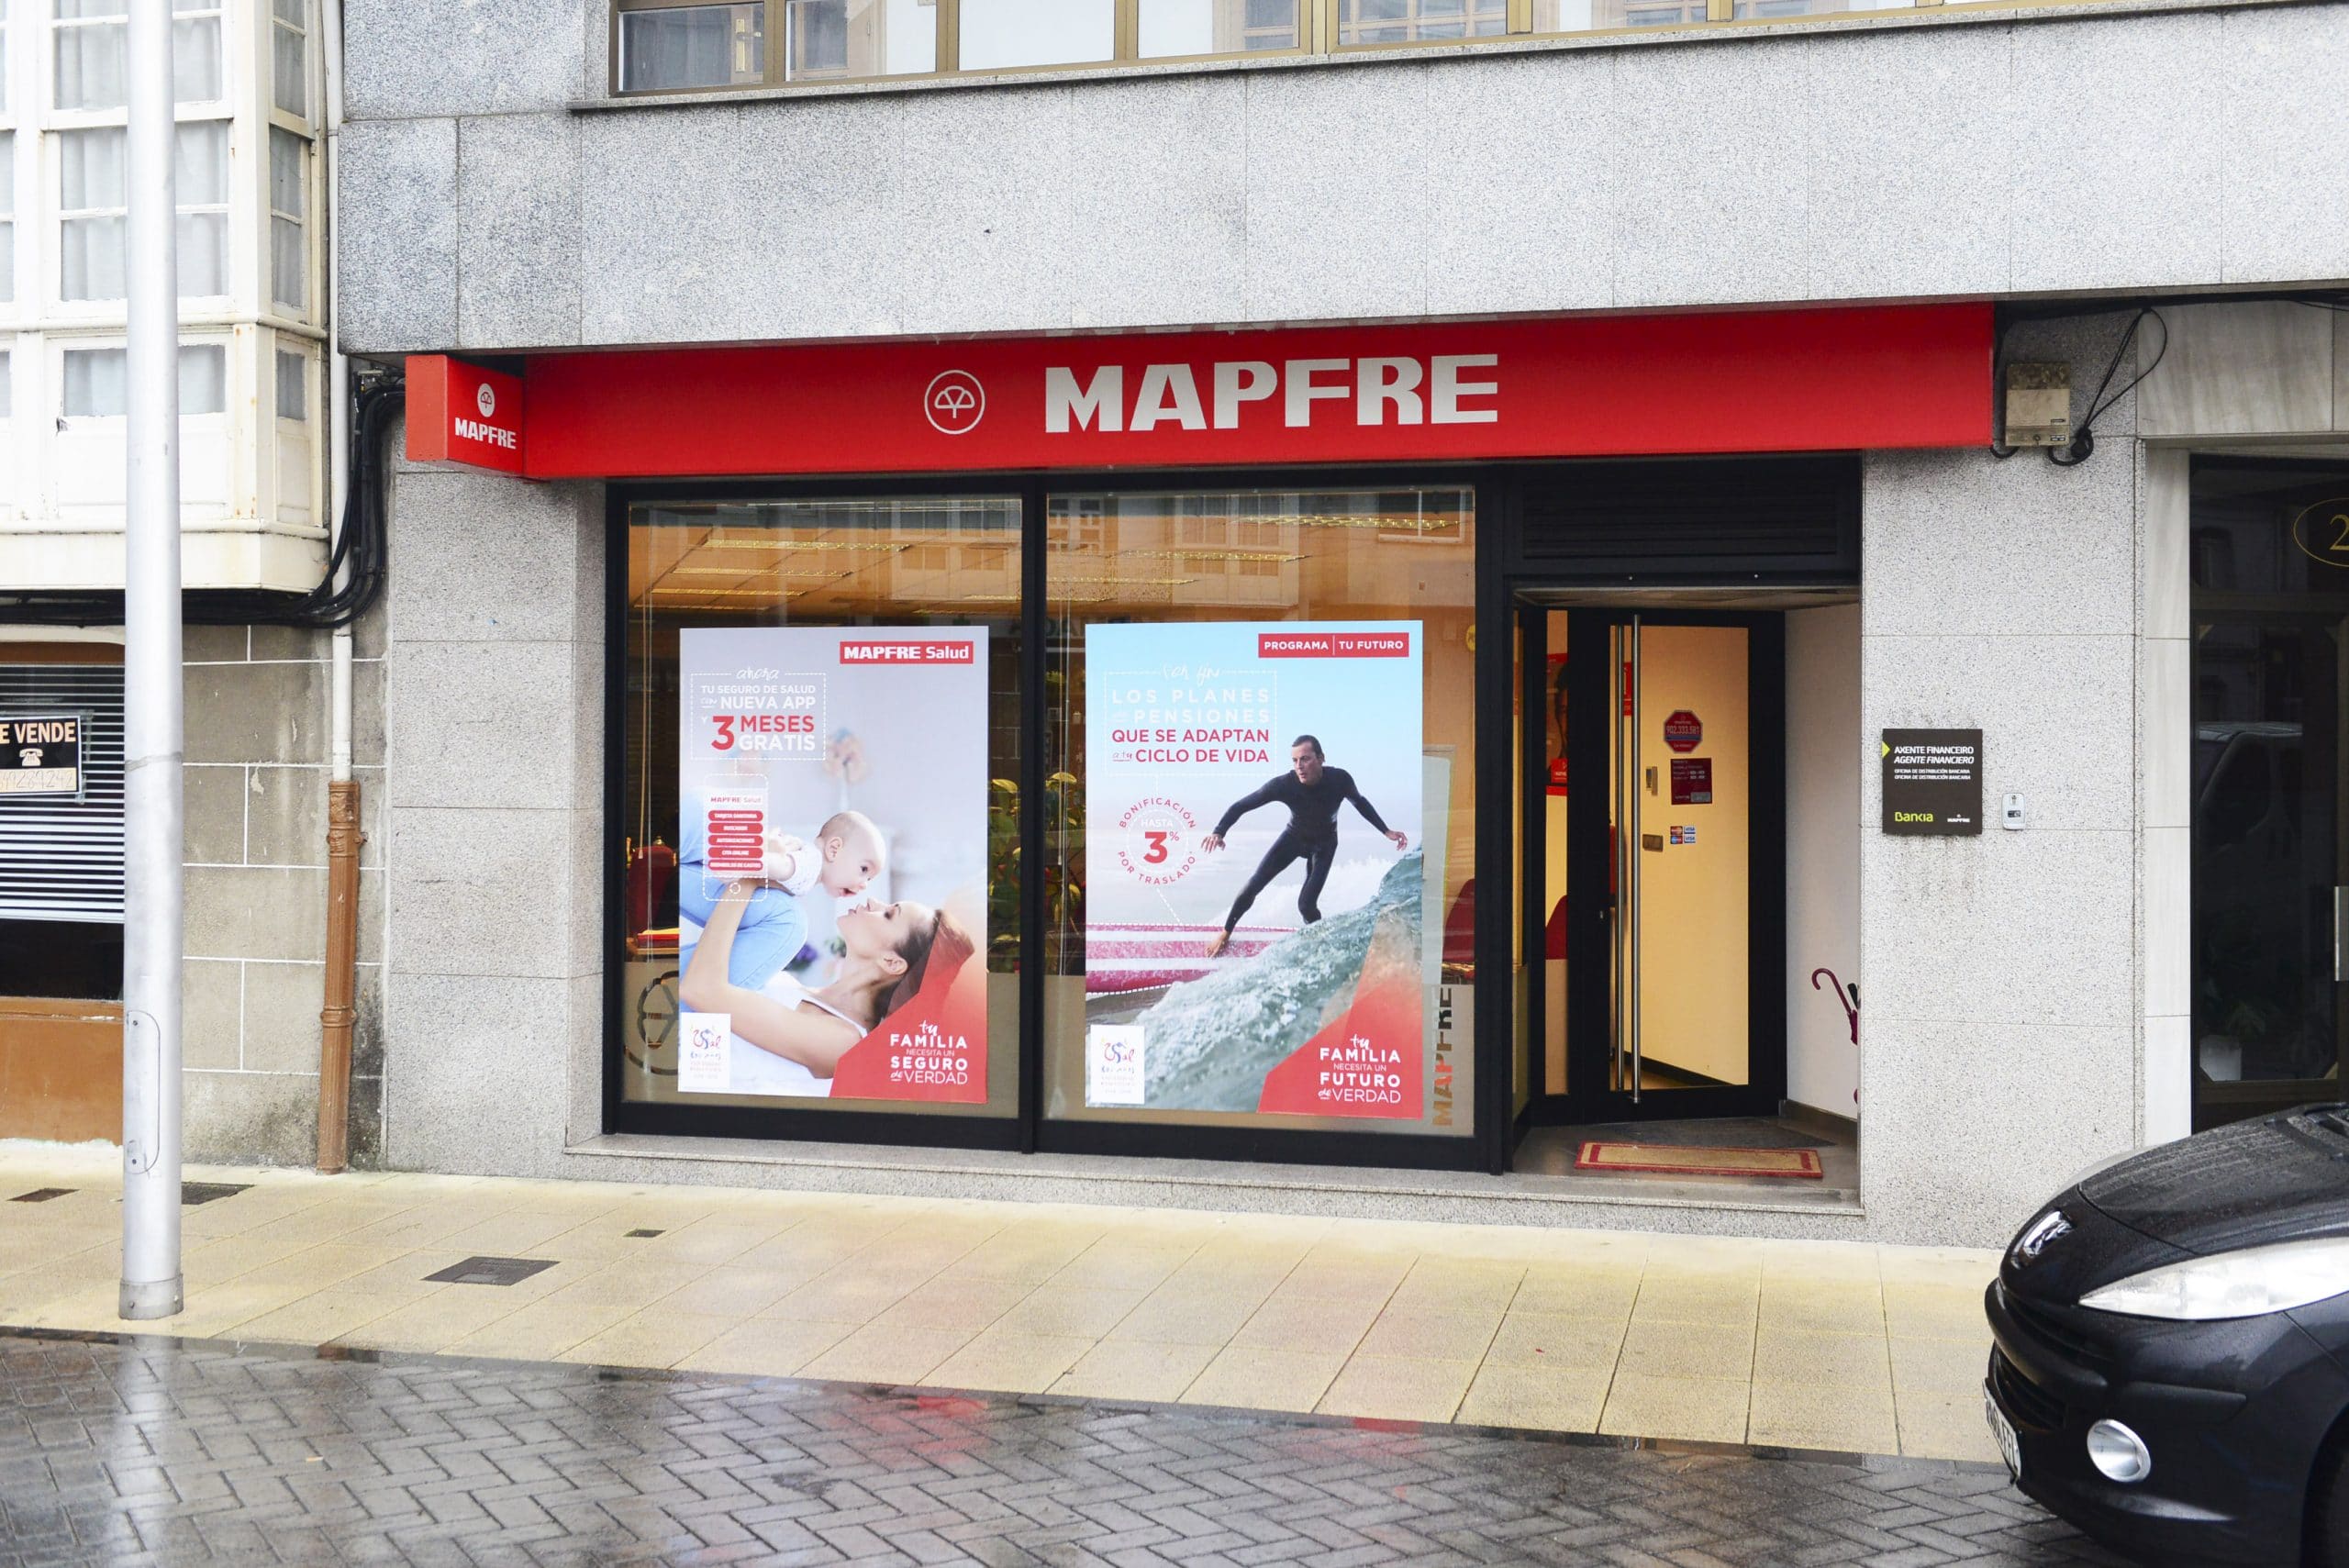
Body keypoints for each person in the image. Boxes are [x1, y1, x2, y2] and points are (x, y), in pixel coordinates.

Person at [679, 880, 973, 1094]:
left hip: (674, 1091)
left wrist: (744, 881)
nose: (873, 902)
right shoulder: (794, 986)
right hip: (665, 1036)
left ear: (892, 962)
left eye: (888, 914)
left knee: (789, 919)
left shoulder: (843, 1042)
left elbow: (700, 991)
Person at [1200, 734, 1407, 958]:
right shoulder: (1283, 785)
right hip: (1294, 838)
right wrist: (1219, 831)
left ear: (1321, 758)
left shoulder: (1340, 780)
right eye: (1295, 760)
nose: (1299, 766)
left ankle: (1320, 944)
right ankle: (1225, 932)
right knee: (1253, 886)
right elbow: (1241, 806)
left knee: (1306, 905)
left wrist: (1386, 831)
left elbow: (1360, 802)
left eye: (1305, 759)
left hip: (1324, 844)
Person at [675, 794, 886, 988]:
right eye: (864, 870)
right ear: (834, 849)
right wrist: (741, 864)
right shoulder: (809, 869)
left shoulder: (806, 855)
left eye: (870, 878)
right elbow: (780, 865)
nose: (864, 884)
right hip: (706, 826)